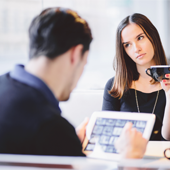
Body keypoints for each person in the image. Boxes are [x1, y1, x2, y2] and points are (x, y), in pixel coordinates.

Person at [0, 7, 92, 156]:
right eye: (84, 63)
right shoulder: (52, 128)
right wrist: (130, 159)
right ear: (75, 54)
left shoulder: (4, 85)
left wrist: (70, 146)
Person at [102, 13, 168, 141]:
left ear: (153, 36)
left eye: (140, 38)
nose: (136, 49)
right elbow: (107, 137)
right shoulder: (115, 87)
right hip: (127, 158)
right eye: (127, 44)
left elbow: (168, 137)